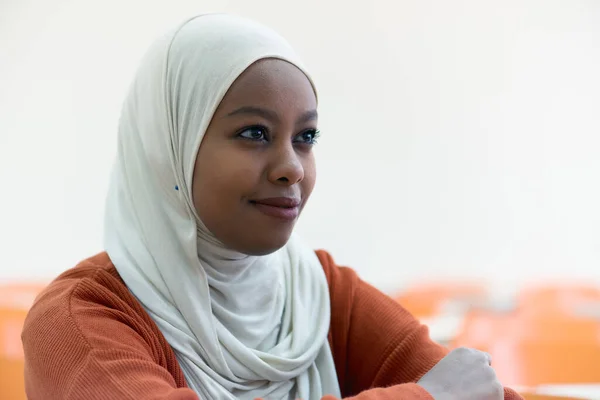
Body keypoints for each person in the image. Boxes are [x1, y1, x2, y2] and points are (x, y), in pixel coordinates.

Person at [21, 13, 523, 400]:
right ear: (168, 150)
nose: (293, 167)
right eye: (254, 133)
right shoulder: (77, 320)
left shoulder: (319, 293)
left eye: (305, 137)